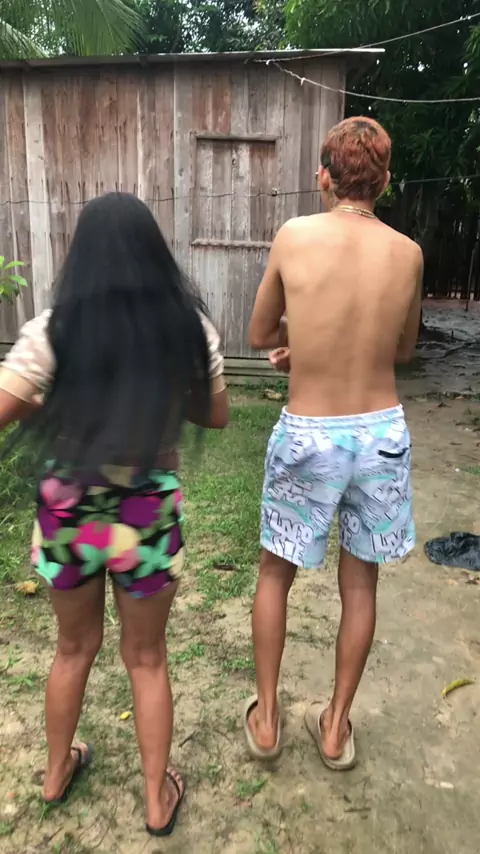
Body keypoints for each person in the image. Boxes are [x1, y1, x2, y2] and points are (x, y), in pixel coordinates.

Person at [0, 193, 228, 835]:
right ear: (155, 255)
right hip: (145, 511)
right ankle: (156, 800)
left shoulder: (51, 331)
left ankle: (55, 773)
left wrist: (54, 405)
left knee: (72, 648)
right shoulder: (188, 332)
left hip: (68, 510)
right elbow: (215, 416)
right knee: (146, 657)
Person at [244, 117, 422, 769]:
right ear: (385, 181)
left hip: (310, 434)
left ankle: (267, 722)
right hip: (379, 435)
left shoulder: (294, 236)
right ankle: (336, 727)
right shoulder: (408, 253)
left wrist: (307, 341)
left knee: (275, 572)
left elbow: (261, 333)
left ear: (324, 176)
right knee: (361, 583)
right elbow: (402, 350)